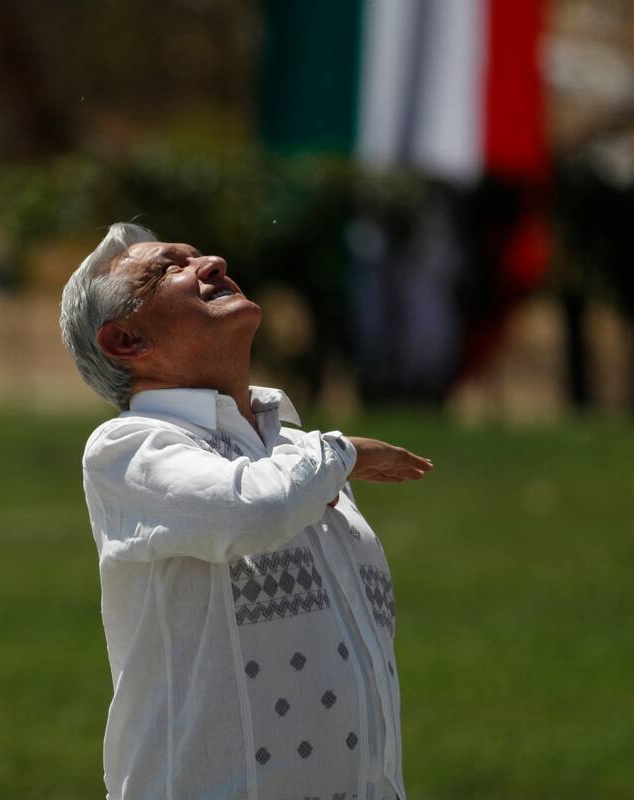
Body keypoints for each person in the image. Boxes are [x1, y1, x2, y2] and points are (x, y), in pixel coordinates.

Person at [59, 223, 433, 800]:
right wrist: (346, 453)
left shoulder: (295, 448)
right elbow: (252, 511)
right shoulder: (130, 448)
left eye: (197, 254)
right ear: (125, 342)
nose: (212, 262)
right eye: (167, 269)